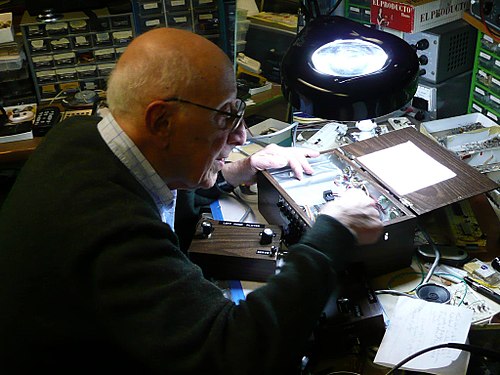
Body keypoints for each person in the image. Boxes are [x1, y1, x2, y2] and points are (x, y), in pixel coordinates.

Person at [0, 28, 383, 374]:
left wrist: (235, 170)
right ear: (162, 122)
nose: (240, 136)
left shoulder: (78, 136)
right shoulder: (109, 230)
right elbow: (238, 356)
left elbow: (151, 186)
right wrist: (332, 233)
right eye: (226, 117)